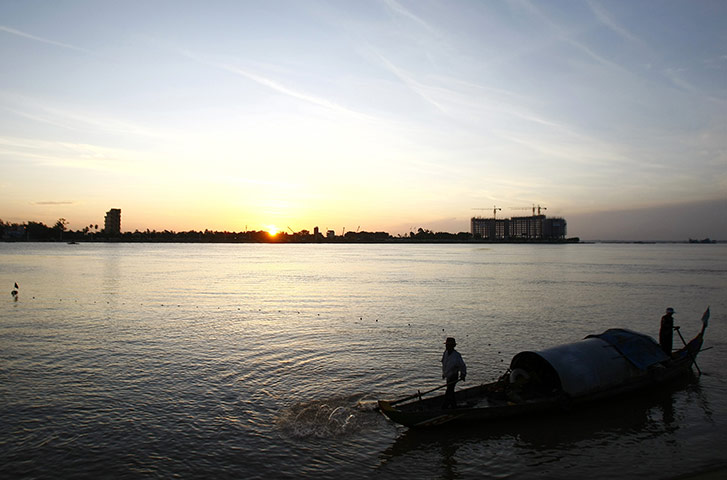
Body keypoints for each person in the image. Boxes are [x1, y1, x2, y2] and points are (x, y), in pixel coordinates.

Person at [441, 337, 467, 409]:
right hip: (448, 375)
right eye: (446, 345)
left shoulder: (456, 355)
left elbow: (462, 366)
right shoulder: (445, 353)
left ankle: (444, 407)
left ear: (453, 346)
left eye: (448, 345)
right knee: (450, 392)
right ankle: (454, 406)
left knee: (449, 391)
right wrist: (443, 373)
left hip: (453, 376)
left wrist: (463, 374)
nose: (446, 346)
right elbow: (444, 363)